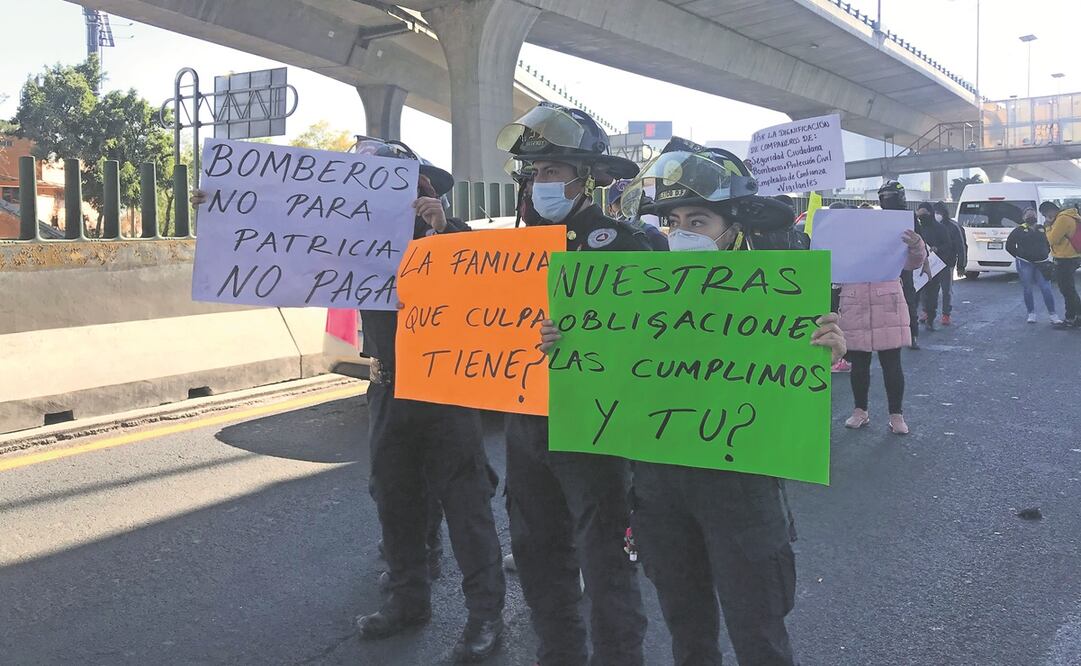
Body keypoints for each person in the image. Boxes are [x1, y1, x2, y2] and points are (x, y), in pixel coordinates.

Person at [542, 139, 846, 666]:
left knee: (760, 636)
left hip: (741, 492)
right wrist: (566, 341)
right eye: (674, 221)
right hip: (659, 489)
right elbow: (608, 369)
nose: (681, 233)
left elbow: (794, 379)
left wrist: (829, 346)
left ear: (733, 233)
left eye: (698, 221)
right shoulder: (634, 298)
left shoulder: (776, 300)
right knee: (688, 634)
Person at [496, 102, 650, 666]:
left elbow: (658, 342)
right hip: (527, 429)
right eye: (536, 173)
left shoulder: (627, 243)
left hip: (597, 433)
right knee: (536, 553)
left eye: (555, 171)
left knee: (607, 560)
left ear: (587, 178)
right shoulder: (505, 251)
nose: (542, 184)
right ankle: (556, 654)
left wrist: (588, 337)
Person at [839, 224, 927, 435]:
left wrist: (917, 245)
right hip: (855, 304)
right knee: (859, 364)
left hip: (887, 306)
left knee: (892, 365)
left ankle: (896, 415)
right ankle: (860, 410)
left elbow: (914, 262)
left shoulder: (891, 237)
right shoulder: (845, 242)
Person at [879, 181, 923, 349]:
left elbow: (920, 241)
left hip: (904, 265)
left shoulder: (909, 217)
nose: (886, 200)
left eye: (889, 197)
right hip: (883, 266)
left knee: (908, 300)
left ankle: (913, 334)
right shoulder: (877, 217)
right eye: (884, 197)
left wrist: (923, 261)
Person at [1005, 207, 1061, 324]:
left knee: (1046, 288)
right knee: (1028, 288)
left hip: (1042, 263)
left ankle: (1053, 315)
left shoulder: (1042, 228)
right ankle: (1031, 313)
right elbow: (1009, 245)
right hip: (1025, 264)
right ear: (1023, 217)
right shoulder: (1019, 230)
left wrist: (1046, 252)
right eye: (1028, 215)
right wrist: (1019, 256)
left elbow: (1049, 241)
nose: (1031, 217)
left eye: (1033, 215)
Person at [1040, 200, 1081, 328]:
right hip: (1072, 255)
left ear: (1050, 211)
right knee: (1069, 289)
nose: (1046, 217)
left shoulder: (1062, 219)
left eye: (1045, 214)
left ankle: (1070, 319)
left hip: (1065, 257)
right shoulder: (1071, 216)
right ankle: (1078, 316)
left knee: (1066, 290)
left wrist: (1047, 226)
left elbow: (1052, 239)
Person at [914, 201, 952, 332]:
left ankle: (930, 319)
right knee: (916, 295)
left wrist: (938, 249)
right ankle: (914, 324)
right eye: (920, 214)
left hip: (934, 266)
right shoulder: (917, 228)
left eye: (924, 214)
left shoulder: (940, 229)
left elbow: (948, 245)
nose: (922, 217)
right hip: (917, 266)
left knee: (932, 295)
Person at [932, 202, 967, 326]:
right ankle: (927, 312)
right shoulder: (930, 225)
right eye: (935, 213)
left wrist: (961, 265)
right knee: (929, 290)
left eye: (939, 213)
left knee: (946, 290)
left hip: (947, 262)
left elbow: (961, 246)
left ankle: (946, 314)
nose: (937, 215)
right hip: (931, 263)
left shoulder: (953, 227)